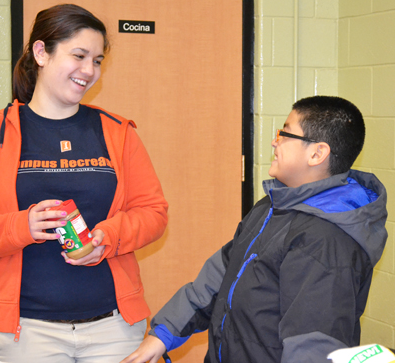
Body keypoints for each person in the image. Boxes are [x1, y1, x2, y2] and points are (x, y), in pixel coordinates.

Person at [0, 4, 168, 363]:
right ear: (41, 53)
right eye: (79, 55)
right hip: (24, 331)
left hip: (114, 328)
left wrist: (109, 237)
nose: (89, 71)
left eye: (98, 60)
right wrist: (20, 225)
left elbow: (153, 213)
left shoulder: (117, 133)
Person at [121, 95, 388, 363]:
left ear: (317, 153)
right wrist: (164, 334)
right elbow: (220, 275)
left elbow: (313, 349)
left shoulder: (325, 240)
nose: (275, 141)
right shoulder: (273, 207)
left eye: (285, 133)